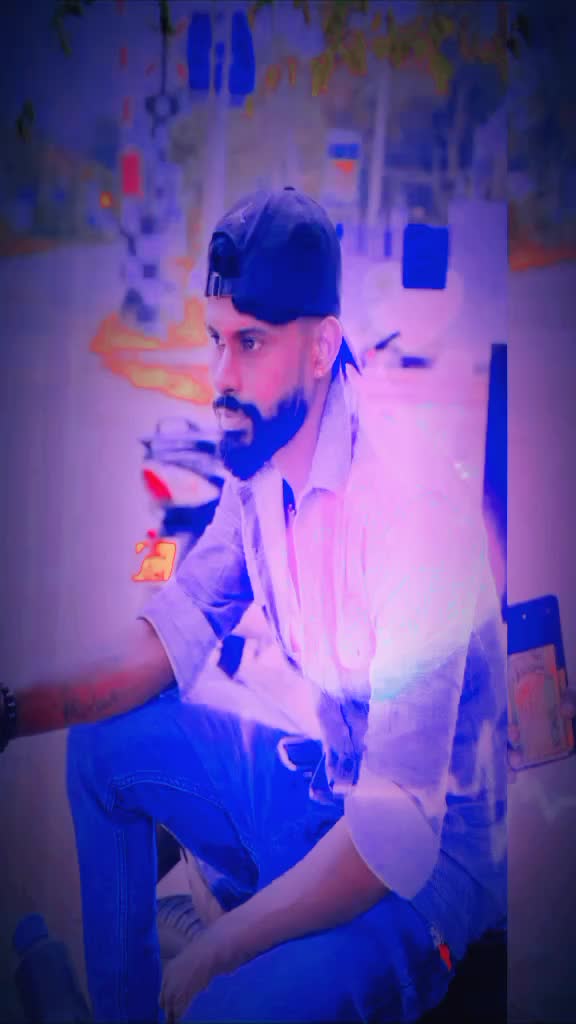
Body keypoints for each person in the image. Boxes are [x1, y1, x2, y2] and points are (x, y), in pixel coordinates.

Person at [1, 187, 508, 1024]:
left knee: (219, 1005)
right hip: (329, 796)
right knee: (103, 747)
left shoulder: (410, 508)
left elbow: (397, 832)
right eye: (215, 340)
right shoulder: (261, 465)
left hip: (423, 876)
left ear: (321, 347)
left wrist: (221, 947)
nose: (222, 377)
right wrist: (12, 708)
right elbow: (167, 637)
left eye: (250, 343)